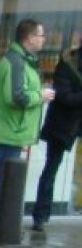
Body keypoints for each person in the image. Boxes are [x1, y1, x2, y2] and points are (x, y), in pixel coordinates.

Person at [0, 18, 54, 239]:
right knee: (2, 181)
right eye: (41, 35)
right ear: (30, 38)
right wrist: (40, 96)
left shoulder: (22, 61)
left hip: (14, 130)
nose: (43, 39)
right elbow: (18, 96)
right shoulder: (16, 62)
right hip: (11, 131)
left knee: (4, 180)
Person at [31, 41, 81, 232]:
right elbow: (65, 97)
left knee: (51, 168)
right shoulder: (67, 65)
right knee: (51, 169)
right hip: (62, 125)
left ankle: (41, 215)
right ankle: (40, 216)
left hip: (73, 123)